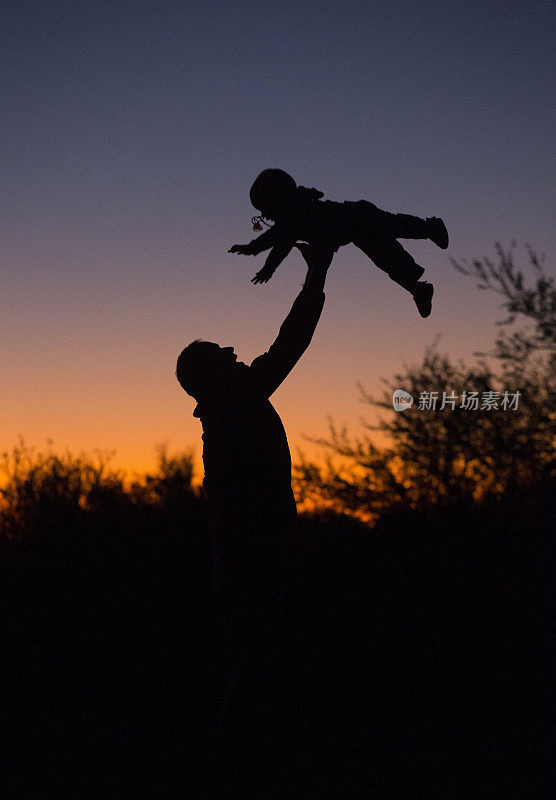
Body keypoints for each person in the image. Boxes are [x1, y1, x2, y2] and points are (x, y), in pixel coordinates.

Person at [176, 244, 331, 792]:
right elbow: (292, 343)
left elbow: (289, 343)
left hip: (255, 567)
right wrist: (316, 272)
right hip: (254, 572)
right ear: (211, 376)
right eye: (222, 354)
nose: (235, 353)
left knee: (261, 674)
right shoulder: (235, 406)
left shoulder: (230, 406)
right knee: (258, 677)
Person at [229, 168, 449, 318]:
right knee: (388, 257)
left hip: (358, 217)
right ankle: (418, 288)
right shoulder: (295, 214)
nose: (266, 216)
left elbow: (279, 240)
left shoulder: (297, 213)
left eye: (266, 210)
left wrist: (258, 256)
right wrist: (256, 254)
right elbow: (280, 239)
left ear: (277, 200)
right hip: (355, 230)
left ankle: (430, 229)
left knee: (393, 229)